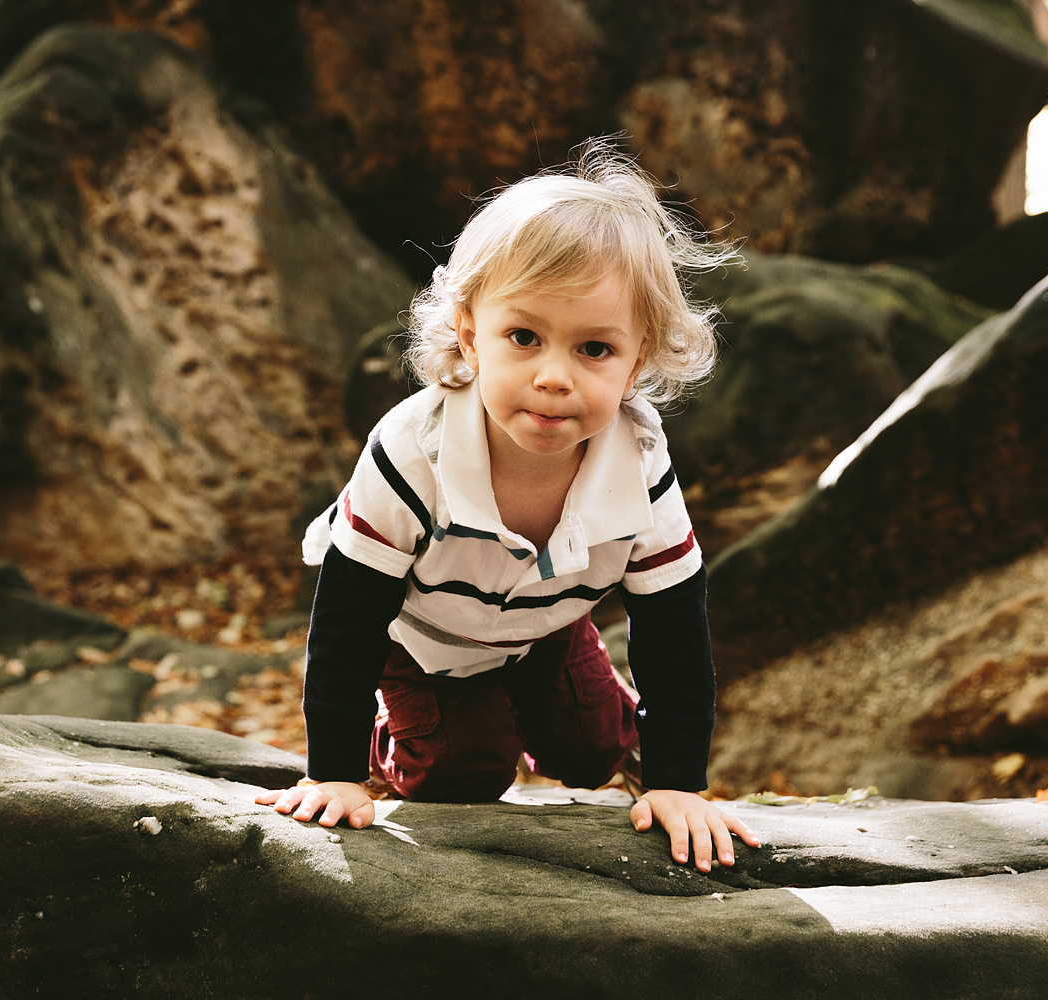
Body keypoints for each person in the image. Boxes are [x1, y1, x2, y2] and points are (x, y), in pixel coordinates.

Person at [255, 140, 759, 872]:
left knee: (595, 749)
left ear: (638, 359)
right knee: (467, 773)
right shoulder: (412, 451)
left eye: (594, 349)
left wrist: (678, 783)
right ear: (470, 334)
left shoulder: (640, 455)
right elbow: (348, 619)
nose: (554, 376)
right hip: (419, 642)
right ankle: (391, 737)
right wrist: (333, 770)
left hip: (546, 625)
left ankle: (559, 698)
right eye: (523, 337)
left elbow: (674, 626)